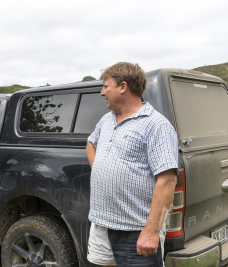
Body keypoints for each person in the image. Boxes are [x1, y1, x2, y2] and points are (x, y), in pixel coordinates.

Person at [86, 62, 178, 267]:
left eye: (105, 86)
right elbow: (90, 143)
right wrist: (100, 169)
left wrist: (152, 232)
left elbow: (168, 180)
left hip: (137, 231)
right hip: (101, 225)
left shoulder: (156, 125)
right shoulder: (106, 120)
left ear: (123, 87)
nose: (102, 93)